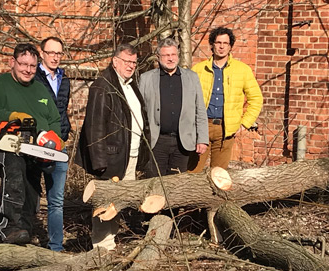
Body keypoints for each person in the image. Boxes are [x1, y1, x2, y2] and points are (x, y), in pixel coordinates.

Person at [0, 43, 62, 245]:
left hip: (32, 148)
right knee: (14, 168)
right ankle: (10, 228)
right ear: (13, 62)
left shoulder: (40, 90)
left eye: (32, 65)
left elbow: (55, 120)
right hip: (1, 146)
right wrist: (9, 116)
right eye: (23, 64)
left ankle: (24, 233)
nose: (28, 70)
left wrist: (54, 138)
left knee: (31, 184)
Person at [75, 43, 150, 250]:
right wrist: (99, 162)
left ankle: (111, 240)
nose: (131, 66)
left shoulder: (130, 84)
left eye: (134, 62)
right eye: (127, 61)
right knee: (105, 201)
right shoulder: (103, 85)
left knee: (118, 202)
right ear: (115, 61)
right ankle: (101, 246)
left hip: (129, 155)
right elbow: (95, 126)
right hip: (110, 158)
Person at [188, 27, 263, 172]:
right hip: (202, 127)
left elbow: (256, 98)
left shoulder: (242, 70)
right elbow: (187, 99)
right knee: (192, 172)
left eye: (225, 43)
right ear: (212, 45)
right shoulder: (198, 69)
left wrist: (244, 124)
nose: (221, 46)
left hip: (226, 130)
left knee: (219, 175)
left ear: (230, 46)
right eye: (218, 42)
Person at [139, 38, 208, 177]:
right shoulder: (146, 79)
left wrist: (202, 138)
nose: (170, 59)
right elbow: (139, 111)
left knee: (177, 185)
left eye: (173, 55)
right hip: (156, 140)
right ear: (158, 57)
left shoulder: (191, 78)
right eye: (166, 55)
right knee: (155, 182)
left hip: (182, 141)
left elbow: (200, 109)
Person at [34, 37, 71, 252]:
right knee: (31, 197)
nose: (55, 57)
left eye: (59, 53)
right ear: (42, 53)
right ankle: (24, 240)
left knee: (56, 200)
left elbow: (62, 109)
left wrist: (65, 132)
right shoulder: (33, 77)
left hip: (59, 145)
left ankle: (56, 246)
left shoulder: (64, 79)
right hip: (36, 144)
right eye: (51, 52)